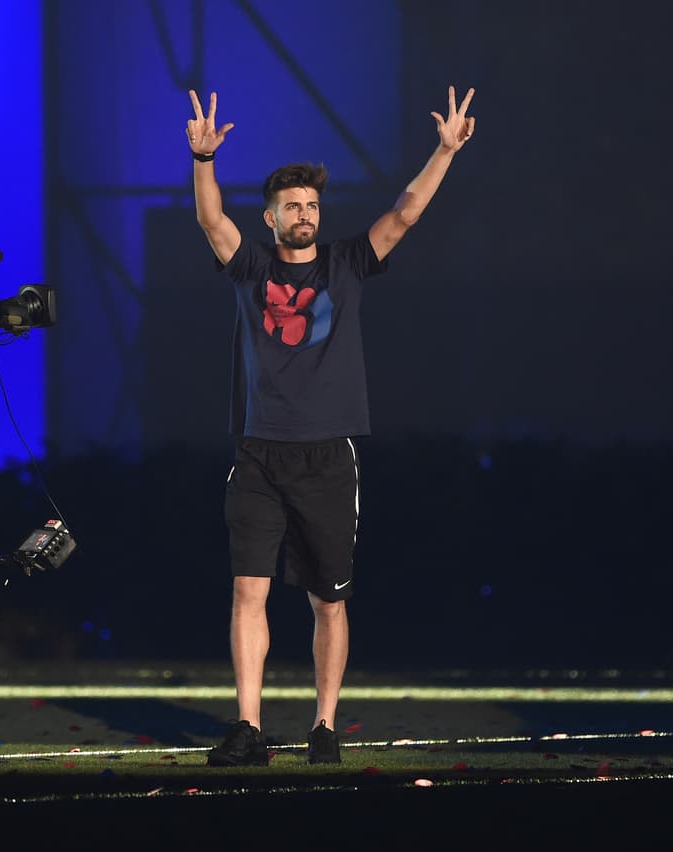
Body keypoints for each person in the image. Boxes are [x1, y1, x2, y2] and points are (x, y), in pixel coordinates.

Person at [186, 86, 476, 766]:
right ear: (271, 217)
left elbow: (404, 214)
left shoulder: (345, 264)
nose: (305, 214)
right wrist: (203, 159)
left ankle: (324, 726)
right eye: (292, 206)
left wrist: (445, 151)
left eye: (312, 205)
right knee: (248, 591)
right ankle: (249, 727)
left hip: (326, 457)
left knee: (328, 602)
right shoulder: (251, 266)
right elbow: (211, 219)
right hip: (259, 455)